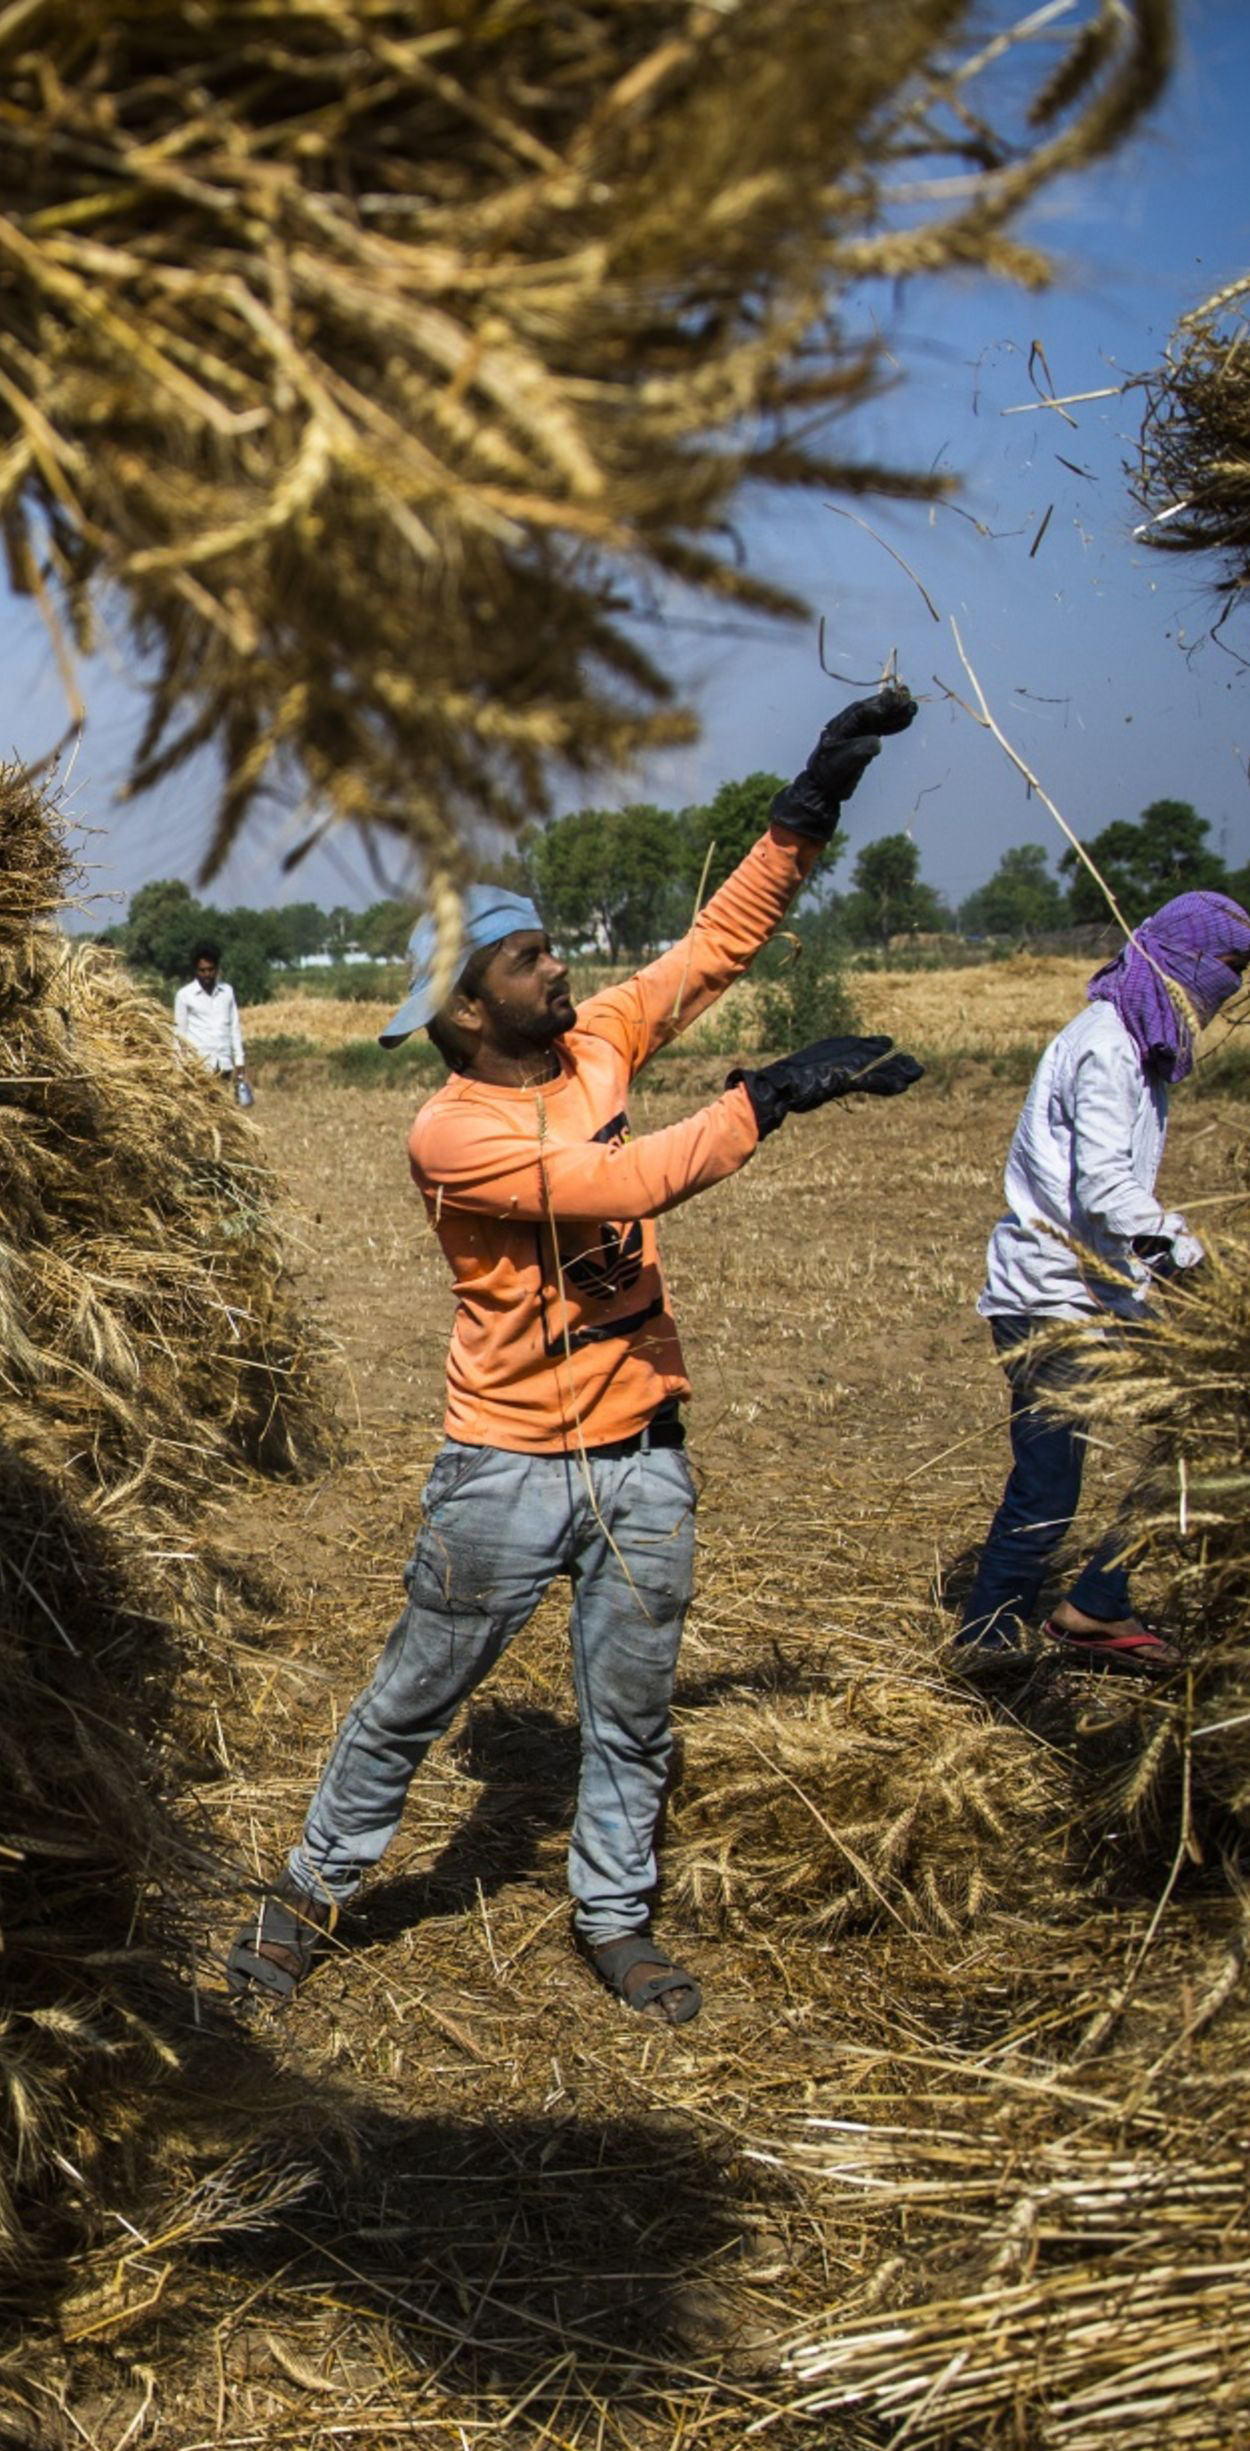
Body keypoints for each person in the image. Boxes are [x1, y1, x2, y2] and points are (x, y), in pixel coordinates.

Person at [223, 690, 927, 2028]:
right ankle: (308, 1894)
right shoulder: (451, 1132)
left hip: (641, 1455)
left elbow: (715, 946)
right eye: (534, 959)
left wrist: (807, 806)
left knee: (631, 1714)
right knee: (411, 1700)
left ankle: (611, 1918)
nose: (564, 974)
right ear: (465, 1003)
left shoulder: (592, 1041)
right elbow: (624, 1185)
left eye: (554, 954)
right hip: (507, 1471)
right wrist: (769, 1094)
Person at [951, 888, 1250, 1669]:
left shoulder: (1141, 1048)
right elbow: (1104, 1191)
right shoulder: (1106, 1047)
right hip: (1051, 1300)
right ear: (1182, 966)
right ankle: (985, 1640)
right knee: (1048, 1486)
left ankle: (1098, 1601)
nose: (1219, 998)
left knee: (1203, 1425)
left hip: (1104, 1296)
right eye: (1217, 976)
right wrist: (1188, 1254)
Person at [174, 941, 251, 1105]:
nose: (207, 974)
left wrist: (239, 1062)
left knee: (222, 1111)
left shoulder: (227, 992)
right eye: (202, 970)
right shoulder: (185, 996)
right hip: (198, 1068)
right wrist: (180, 1069)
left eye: (210, 970)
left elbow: (234, 1029)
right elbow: (179, 1035)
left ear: (216, 969)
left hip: (223, 1065)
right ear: (196, 971)